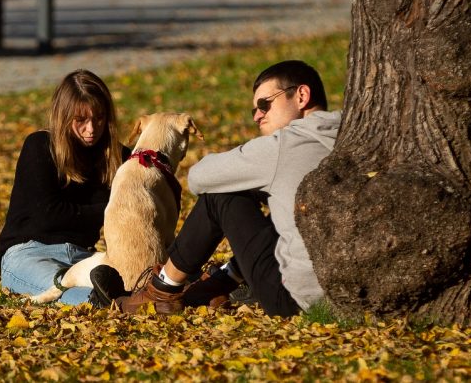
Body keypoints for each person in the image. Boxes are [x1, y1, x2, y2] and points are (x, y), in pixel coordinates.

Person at [101, 60, 340, 316]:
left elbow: (199, 177)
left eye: (264, 104)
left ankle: (162, 291)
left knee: (220, 195)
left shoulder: (283, 146)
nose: (258, 115)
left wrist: (247, 183)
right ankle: (217, 283)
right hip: (342, 291)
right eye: (254, 111)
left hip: (294, 299)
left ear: (302, 96)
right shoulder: (348, 137)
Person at [0, 69, 131, 305]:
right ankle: (104, 302)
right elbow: (48, 215)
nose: (91, 129)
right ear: (64, 116)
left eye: (99, 118)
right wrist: (113, 208)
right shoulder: (40, 146)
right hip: (30, 253)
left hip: (84, 256)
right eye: (81, 120)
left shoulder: (117, 157)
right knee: (58, 287)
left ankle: (132, 297)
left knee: (131, 279)